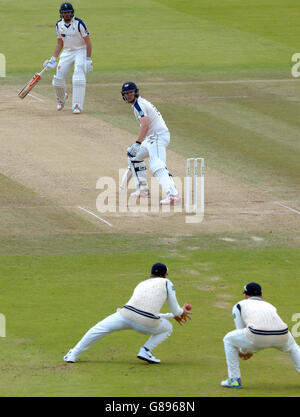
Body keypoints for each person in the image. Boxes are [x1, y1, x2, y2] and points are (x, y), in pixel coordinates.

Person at [63, 263, 191, 364]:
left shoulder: (141, 284)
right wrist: (180, 312)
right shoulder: (167, 283)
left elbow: (143, 310)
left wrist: (172, 315)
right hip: (146, 323)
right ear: (165, 275)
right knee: (168, 327)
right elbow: (174, 310)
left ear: (150, 273)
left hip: (125, 315)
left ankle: (73, 354)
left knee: (99, 328)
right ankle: (146, 350)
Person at [221, 282, 300, 388]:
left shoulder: (239, 305)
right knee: (293, 347)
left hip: (257, 335)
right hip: (282, 334)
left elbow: (242, 331)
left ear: (245, 295)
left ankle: (234, 380)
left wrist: (244, 351)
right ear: (261, 295)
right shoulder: (270, 305)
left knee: (228, 339)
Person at [120, 82, 180, 205]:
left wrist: (137, 143)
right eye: (126, 93)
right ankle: (142, 190)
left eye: (131, 92)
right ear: (123, 96)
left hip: (158, 136)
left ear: (135, 92)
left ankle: (173, 194)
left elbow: (145, 124)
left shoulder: (139, 105)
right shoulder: (138, 104)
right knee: (133, 156)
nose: (129, 95)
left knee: (156, 164)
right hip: (152, 138)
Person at [43, 3, 93, 113]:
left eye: (68, 12)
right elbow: (59, 43)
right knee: (57, 79)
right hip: (67, 52)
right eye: (64, 13)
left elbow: (88, 42)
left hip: (80, 50)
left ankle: (77, 105)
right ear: (61, 14)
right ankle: (61, 99)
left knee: (78, 76)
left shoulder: (79, 23)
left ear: (72, 12)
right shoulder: (58, 25)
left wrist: (88, 59)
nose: (66, 14)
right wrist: (53, 58)